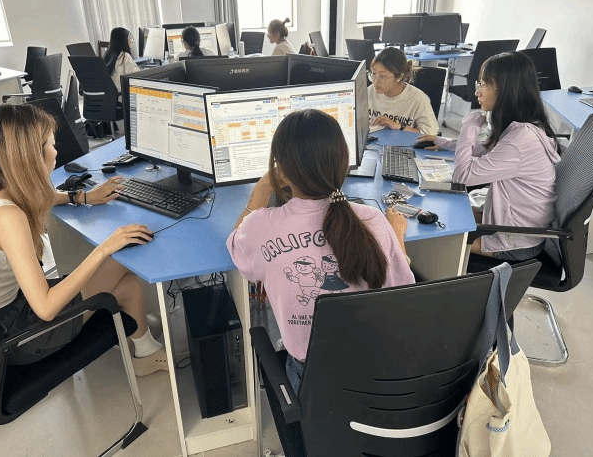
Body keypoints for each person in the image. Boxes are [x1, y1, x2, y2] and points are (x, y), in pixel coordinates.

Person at [0, 103, 167, 375]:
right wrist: (104, 248)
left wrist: (82, 196)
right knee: (120, 259)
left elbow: (40, 196)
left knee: (127, 285)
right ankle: (144, 349)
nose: (56, 151)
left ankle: (145, 350)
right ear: (29, 157)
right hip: (16, 337)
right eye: (51, 144)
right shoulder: (8, 218)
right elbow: (46, 308)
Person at [226, 109, 414, 394]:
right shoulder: (373, 220)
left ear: (282, 170)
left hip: (312, 380)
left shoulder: (259, 227)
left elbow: (236, 245)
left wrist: (264, 187)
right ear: (343, 163)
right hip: (377, 373)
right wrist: (397, 236)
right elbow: (402, 291)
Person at [416, 51, 561, 261]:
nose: (477, 91)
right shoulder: (525, 127)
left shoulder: (520, 140)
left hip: (514, 240)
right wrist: (444, 142)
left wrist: (469, 127)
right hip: (512, 223)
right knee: (438, 211)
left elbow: (462, 176)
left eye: (483, 84)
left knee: (426, 237)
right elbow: (488, 149)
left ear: (505, 88)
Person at [368, 46, 438, 135]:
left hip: (403, 143)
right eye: (374, 73)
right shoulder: (370, 91)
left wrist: (398, 126)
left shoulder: (418, 99)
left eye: (383, 76)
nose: (375, 81)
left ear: (400, 77)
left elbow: (430, 133)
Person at [103, 27, 140, 91]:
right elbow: (136, 77)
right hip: (122, 94)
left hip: (111, 94)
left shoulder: (107, 56)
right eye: (130, 38)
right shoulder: (125, 56)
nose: (132, 41)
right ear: (123, 40)